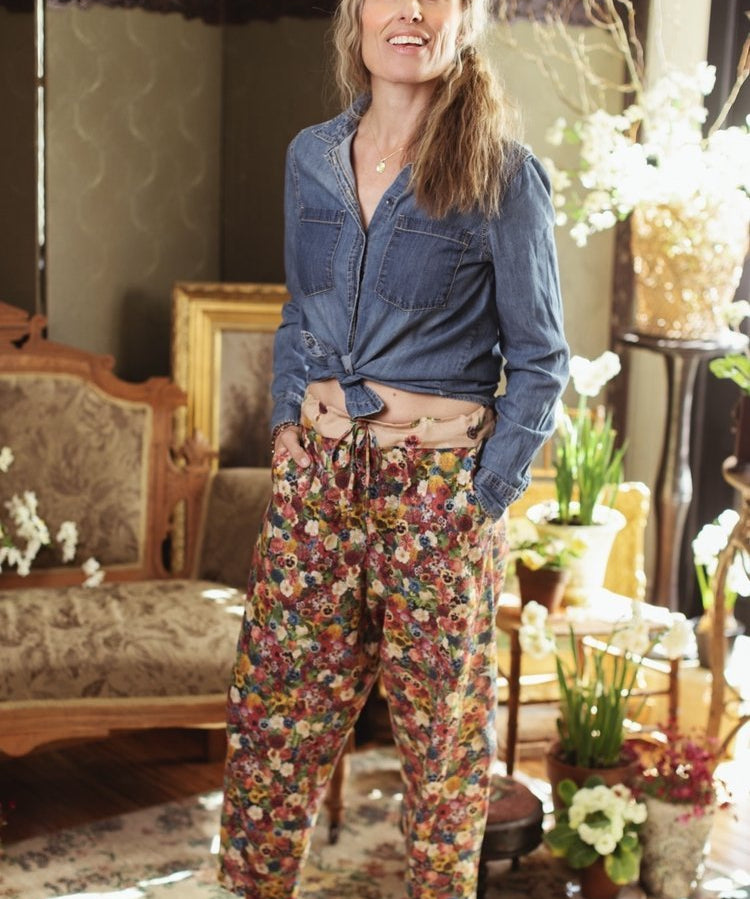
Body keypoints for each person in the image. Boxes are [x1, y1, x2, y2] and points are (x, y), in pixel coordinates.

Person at [218, 1, 569, 897]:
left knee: (442, 750)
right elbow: (298, 314)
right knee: (269, 730)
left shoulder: (502, 174)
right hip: (317, 483)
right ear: (357, 14)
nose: (410, 11)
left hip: (436, 494)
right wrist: (287, 431)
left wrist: (477, 499)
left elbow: (540, 360)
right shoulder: (310, 158)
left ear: (467, 19)